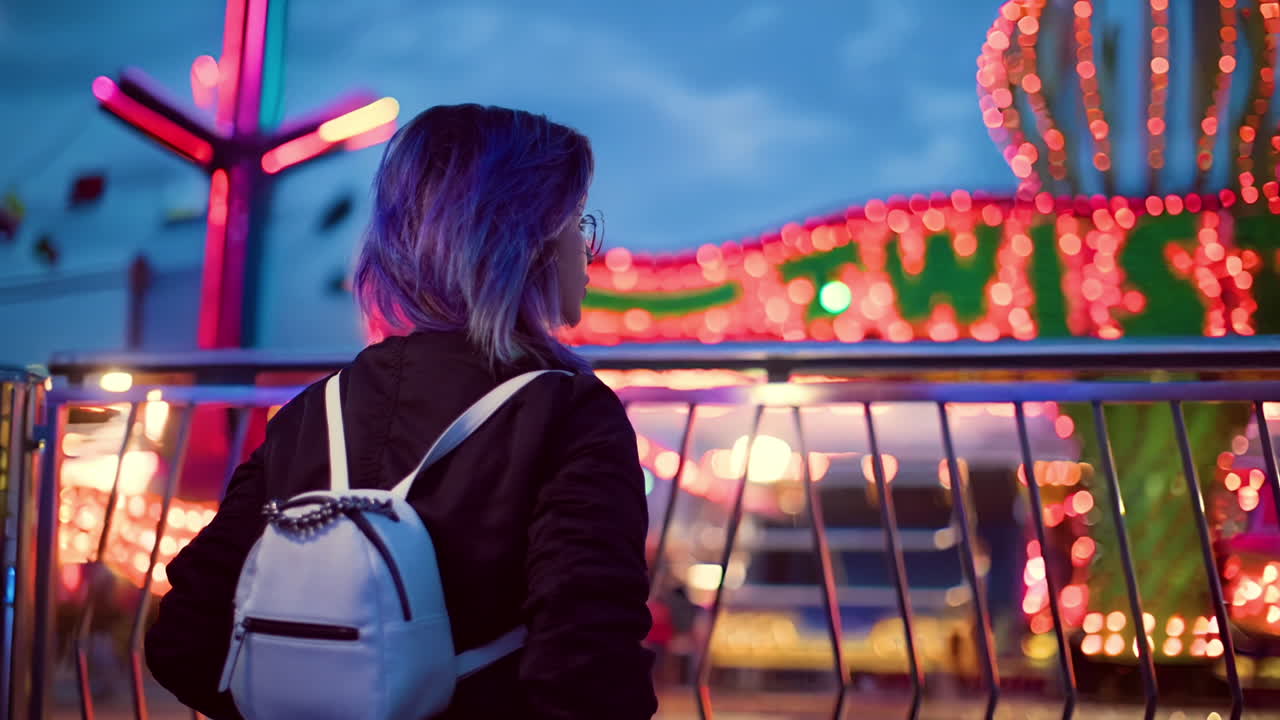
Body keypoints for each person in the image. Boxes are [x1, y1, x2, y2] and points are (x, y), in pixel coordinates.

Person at [145, 104, 658, 719]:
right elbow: (588, 671)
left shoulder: (316, 411)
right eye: (578, 222)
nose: (588, 248)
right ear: (529, 244)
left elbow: (183, 640)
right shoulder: (570, 417)